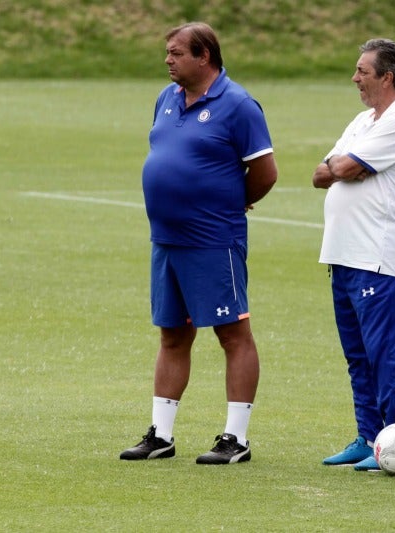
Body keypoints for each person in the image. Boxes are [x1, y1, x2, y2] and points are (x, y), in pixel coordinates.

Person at [120, 22, 278, 465]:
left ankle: (236, 438)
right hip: (166, 239)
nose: (167, 60)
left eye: (176, 53)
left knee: (233, 334)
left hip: (214, 240)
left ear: (204, 56)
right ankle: (161, 435)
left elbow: (265, 172)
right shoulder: (166, 98)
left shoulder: (238, 105)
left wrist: (230, 204)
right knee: (172, 334)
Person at [312, 38, 395, 472]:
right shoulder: (364, 120)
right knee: (357, 355)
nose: (354, 78)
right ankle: (368, 436)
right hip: (342, 253)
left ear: (387, 77)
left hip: (376, 254)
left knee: (383, 354)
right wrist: (346, 167)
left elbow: (340, 168)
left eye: (362, 71)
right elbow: (324, 173)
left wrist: (345, 167)